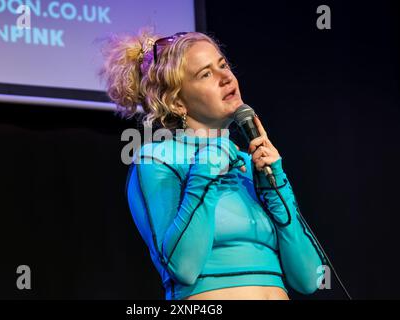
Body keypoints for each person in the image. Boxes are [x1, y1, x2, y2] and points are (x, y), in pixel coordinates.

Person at [101, 29, 326, 300]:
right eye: (205, 74)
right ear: (177, 102)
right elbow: (183, 268)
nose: (226, 77)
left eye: (223, 65)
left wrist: (277, 186)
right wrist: (206, 168)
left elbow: (310, 278)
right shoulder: (158, 159)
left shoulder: (249, 165)